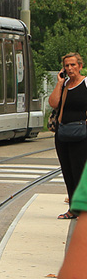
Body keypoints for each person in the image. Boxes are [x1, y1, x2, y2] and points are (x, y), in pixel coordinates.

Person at [48, 52, 87, 219]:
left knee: (80, 171)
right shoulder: (64, 85)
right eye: (67, 66)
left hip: (82, 134)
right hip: (63, 133)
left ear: (80, 66)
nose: (70, 68)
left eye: (73, 65)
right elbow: (54, 103)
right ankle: (73, 208)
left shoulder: (85, 83)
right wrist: (59, 83)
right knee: (68, 171)